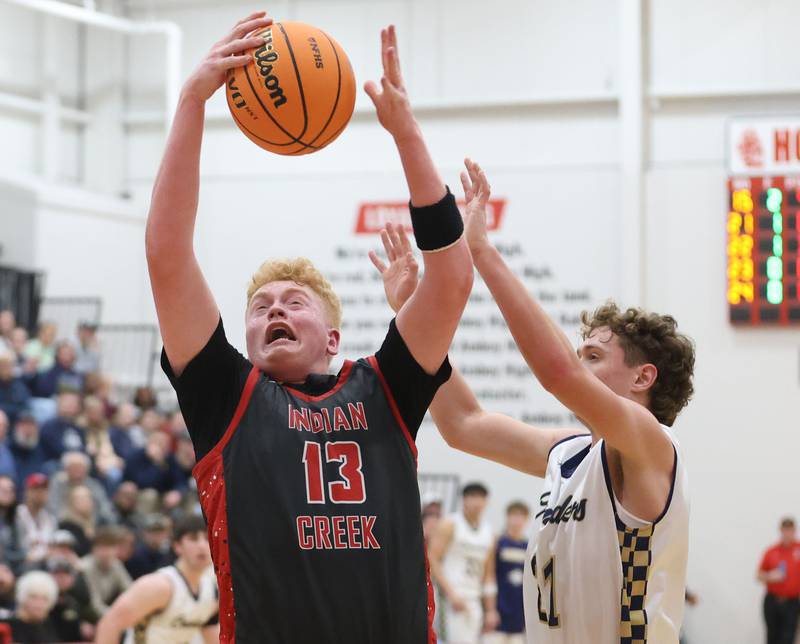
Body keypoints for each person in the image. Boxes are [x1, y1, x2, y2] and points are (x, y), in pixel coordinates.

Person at [146, 12, 472, 643]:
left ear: (333, 337)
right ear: (244, 340)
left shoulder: (385, 390)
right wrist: (191, 104)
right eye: (261, 305)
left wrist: (405, 134)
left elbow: (452, 277)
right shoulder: (227, 397)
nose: (274, 309)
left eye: (295, 302)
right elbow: (166, 255)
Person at [373, 160, 694, 643]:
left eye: (594, 355)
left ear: (642, 377)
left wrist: (479, 250)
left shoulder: (652, 445)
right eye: (581, 353)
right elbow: (463, 422)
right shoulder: (569, 453)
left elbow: (557, 372)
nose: (580, 364)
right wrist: (412, 317)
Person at [95, 515, 218, 644]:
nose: (202, 546)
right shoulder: (160, 585)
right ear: (177, 546)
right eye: (193, 539)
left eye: (207, 539)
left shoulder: (212, 591)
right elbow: (109, 624)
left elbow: (211, 635)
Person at [429, 482, 496, 644]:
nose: (476, 502)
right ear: (464, 500)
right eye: (472, 497)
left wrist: (491, 609)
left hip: (474, 598)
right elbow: (432, 558)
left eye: (480, 498)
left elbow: (488, 574)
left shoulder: (489, 532)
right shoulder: (450, 524)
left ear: (486, 502)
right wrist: (451, 593)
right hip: (451, 598)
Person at [486, 501, 530, 644]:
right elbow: (489, 575)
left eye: (521, 516)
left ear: (526, 519)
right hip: (499, 611)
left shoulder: (529, 546)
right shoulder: (498, 542)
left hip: (519, 614)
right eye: (514, 516)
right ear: (507, 517)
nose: (517, 520)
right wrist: (490, 609)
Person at [757, 517, 800, 644]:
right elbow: (758, 575)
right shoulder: (771, 551)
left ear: (794, 531)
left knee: (788, 638)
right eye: (785, 530)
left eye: (790, 530)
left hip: (792, 603)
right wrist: (769, 576)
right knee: (772, 637)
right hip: (772, 601)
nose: (787, 533)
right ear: (780, 531)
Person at [80, 526, 132, 618]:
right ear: (94, 549)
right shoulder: (86, 567)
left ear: (116, 549)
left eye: (109, 547)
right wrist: (117, 617)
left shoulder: (116, 564)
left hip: (106, 611)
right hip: (85, 614)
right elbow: (94, 604)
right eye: (101, 547)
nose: (106, 552)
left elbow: (130, 589)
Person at [0, 569, 59, 643]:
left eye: (45, 599)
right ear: (23, 597)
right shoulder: (6, 626)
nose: (39, 604)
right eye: (33, 597)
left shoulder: (48, 626)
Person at [15, 473, 57, 568]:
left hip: (47, 566)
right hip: (22, 566)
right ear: (27, 491)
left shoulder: (50, 519)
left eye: (44, 490)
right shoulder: (16, 516)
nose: (40, 493)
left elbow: (53, 548)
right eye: (36, 489)